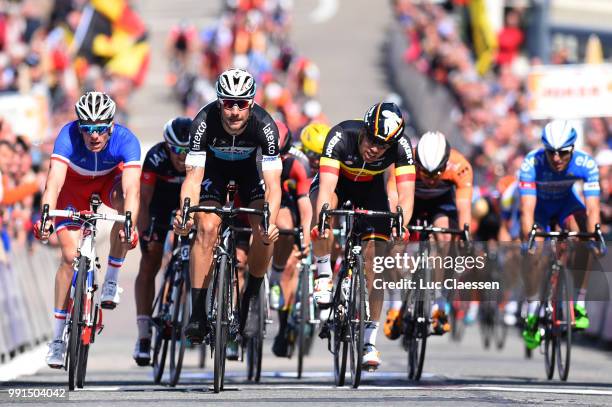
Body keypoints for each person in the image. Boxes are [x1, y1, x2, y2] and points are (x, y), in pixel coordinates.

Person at [173, 68, 281, 344]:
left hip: (250, 176)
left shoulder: (266, 126)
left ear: (252, 104)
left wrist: (270, 221)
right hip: (214, 174)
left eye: (241, 103)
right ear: (219, 102)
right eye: (228, 103)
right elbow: (193, 178)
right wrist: (186, 211)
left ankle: (252, 297)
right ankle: (197, 311)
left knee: (265, 233)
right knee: (206, 228)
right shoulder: (203, 121)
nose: (234, 110)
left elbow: (273, 184)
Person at [34, 91, 141, 368]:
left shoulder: (126, 140)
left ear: (111, 127)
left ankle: (111, 280)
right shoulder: (67, 136)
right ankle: (57, 340)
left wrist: (129, 221)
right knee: (69, 258)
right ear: (79, 126)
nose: (94, 136)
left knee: (123, 214)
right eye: (88, 129)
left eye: (101, 129)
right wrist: (45, 216)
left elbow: (132, 188)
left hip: (108, 184)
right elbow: (54, 183)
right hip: (72, 190)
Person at [310, 101, 415, 370]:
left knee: (374, 268)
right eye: (371, 139)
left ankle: (369, 341)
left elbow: (406, 193)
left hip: (370, 191)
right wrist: (324, 217)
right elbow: (326, 188)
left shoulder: (401, 148)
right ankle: (323, 273)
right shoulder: (340, 136)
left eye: (383, 146)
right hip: (338, 184)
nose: (375, 148)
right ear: (363, 130)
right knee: (325, 210)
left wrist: (402, 224)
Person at [520, 120, 601, 349]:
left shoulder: (586, 163)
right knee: (534, 249)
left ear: (572, 150)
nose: (556, 158)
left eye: (563, 153)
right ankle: (533, 307)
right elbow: (527, 209)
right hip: (540, 208)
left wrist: (593, 236)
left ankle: (579, 303)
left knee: (585, 233)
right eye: (551, 153)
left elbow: (593, 208)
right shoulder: (531, 163)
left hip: (566, 205)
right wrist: (530, 239)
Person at [386, 131, 473, 337]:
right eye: (425, 173)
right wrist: (394, 226)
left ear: (446, 164)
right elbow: (394, 197)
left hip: (440, 205)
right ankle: (395, 305)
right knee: (395, 244)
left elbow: (464, 208)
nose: (431, 179)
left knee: (445, 238)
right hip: (410, 200)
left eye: (436, 174)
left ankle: (439, 307)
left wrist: (464, 236)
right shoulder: (403, 160)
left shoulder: (460, 166)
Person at [132, 117, 192, 366]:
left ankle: (185, 309)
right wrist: (145, 233)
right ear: (167, 146)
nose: (182, 156)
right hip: (158, 205)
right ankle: (144, 335)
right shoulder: (156, 157)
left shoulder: (200, 158)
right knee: (150, 261)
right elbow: (143, 201)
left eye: (187, 151)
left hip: (187, 204)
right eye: (177, 150)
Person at [269, 119, 313, 357]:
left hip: (289, 202)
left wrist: (305, 236)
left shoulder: (298, 164)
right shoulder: (254, 156)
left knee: (290, 263)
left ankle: (284, 326)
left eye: (280, 157)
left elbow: (305, 207)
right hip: (258, 197)